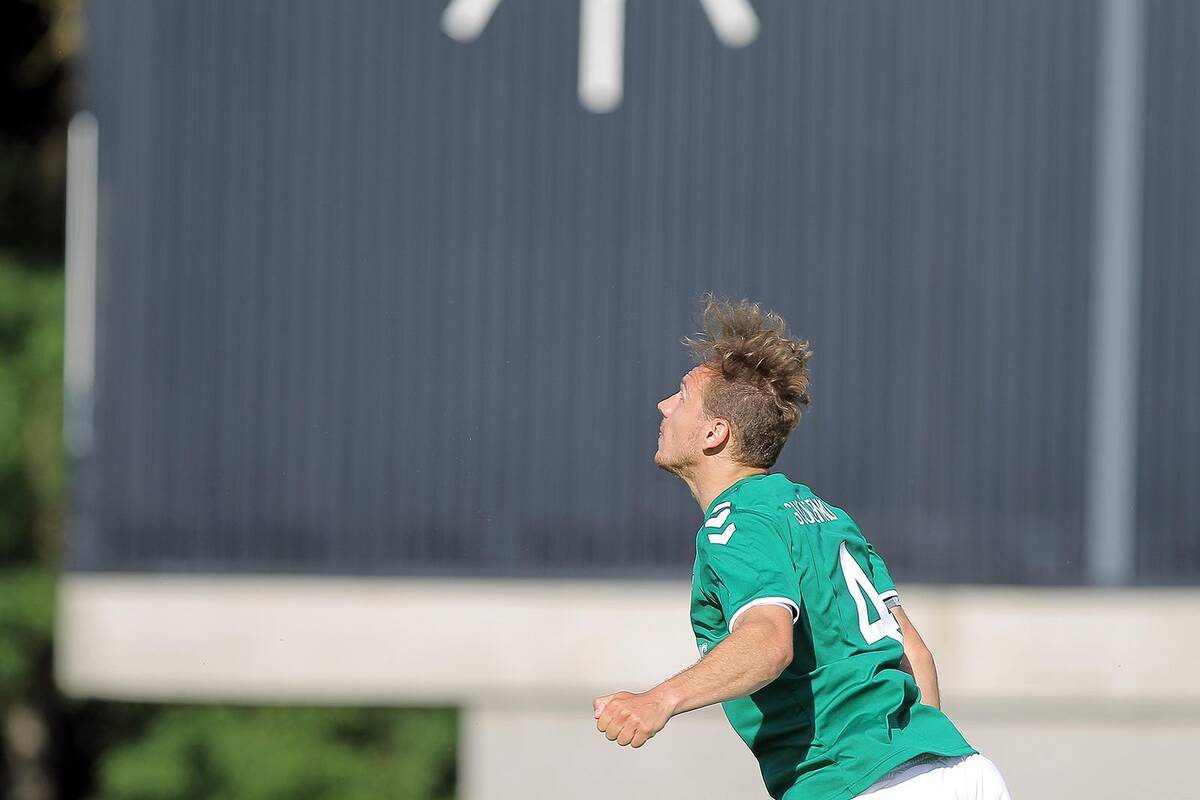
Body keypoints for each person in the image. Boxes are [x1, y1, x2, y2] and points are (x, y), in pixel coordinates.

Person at [593, 296, 1011, 800]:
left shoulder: (735, 522)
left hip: (861, 782)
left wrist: (659, 700)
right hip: (960, 770)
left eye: (681, 396)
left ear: (714, 433)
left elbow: (769, 642)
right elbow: (914, 653)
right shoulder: (826, 516)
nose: (664, 405)